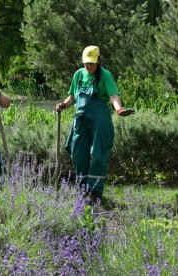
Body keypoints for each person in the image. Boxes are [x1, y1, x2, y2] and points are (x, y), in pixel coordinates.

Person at [55, 46, 134, 203]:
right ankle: (82, 189)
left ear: (98, 61)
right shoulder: (79, 74)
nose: (88, 66)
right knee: (77, 153)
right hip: (81, 120)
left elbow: (113, 95)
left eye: (92, 63)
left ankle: (95, 192)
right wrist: (63, 105)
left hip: (99, 119)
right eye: (86, 63)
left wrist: (119, 109)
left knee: (98, 154)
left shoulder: (105, 75)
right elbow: (72, 96)